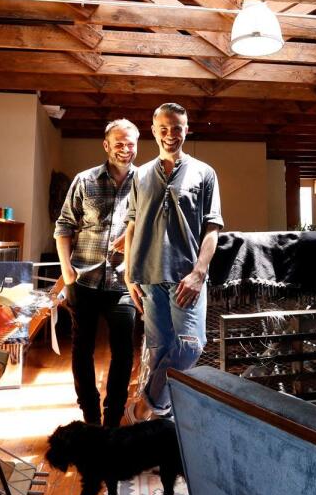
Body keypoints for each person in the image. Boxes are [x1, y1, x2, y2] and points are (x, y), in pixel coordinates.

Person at [123, 103, 222, 421]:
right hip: (148, 277)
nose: (170, 134)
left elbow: (213, 228)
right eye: (163, 128)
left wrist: (199, 272)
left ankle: (144, 407)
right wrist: (128, 273)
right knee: (159, 352)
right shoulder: (139, 175)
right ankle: (161, 428)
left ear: (186, 129)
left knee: (192, 345)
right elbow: (132, 224)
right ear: (153, 131)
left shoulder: (204, 173)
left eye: (177, 128)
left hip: (186, 278)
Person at [53, 119, 140, 428]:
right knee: (82, 349)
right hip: (84, 280)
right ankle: (90, 416)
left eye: (131, 144)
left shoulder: (146, 183)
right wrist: (68, 274)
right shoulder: (84, 180)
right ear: (106, 145)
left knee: (124, 351)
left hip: (123, 283)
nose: (126, 149)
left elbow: (154, 227)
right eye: (119, 144)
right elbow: (63, 227)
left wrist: (132, 238)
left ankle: (112, 419)